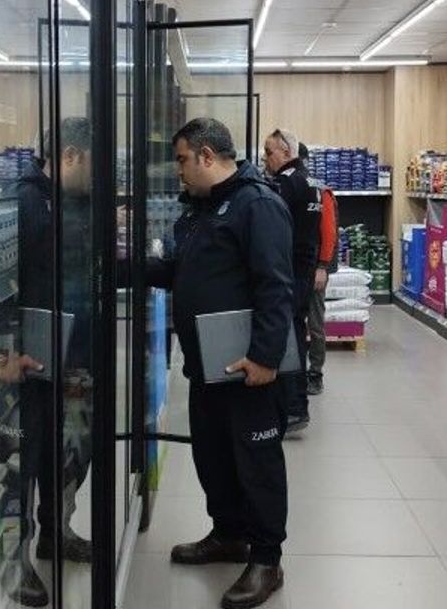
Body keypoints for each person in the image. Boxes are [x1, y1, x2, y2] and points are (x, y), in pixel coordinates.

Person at [147, 117, 292, 609]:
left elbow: (276, 285)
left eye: (182, 160)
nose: (179, 171)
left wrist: (265, 358)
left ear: (207, 156)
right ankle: (228, 534)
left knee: (257, 463)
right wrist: (126, 265)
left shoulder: (257, 205)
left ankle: (267, 559)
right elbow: (181, 270)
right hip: (207, 365)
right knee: (213, 456)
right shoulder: (202, 209)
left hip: (249, 368)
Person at [0, 117, 95, 607]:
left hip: (74, 354)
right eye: (93, 165)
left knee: (70, 452)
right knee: (18, 462)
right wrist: (0, 356)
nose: (98, 176)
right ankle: (13, 560)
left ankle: (56, 531)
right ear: (70, 156)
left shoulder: (80, 203)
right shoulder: (19, 203)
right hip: (24, 359)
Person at [261, 128, 321, 433]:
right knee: (296, 332)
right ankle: (296, 406)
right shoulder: (310, 181)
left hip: (288, 272)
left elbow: (270, 224)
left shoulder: (286, 182)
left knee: (287, 338)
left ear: (286, 152)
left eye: (268, 152)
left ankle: (294, 407)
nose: (265, 158)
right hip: (305, 270)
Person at [298, 143, 339, 396]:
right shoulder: (290, 187)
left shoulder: (320, 191)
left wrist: (322, 266)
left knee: (314, 322)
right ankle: (295, 370)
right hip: (297, 266)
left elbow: (328, 232)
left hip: (315, 267)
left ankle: (315, 374)